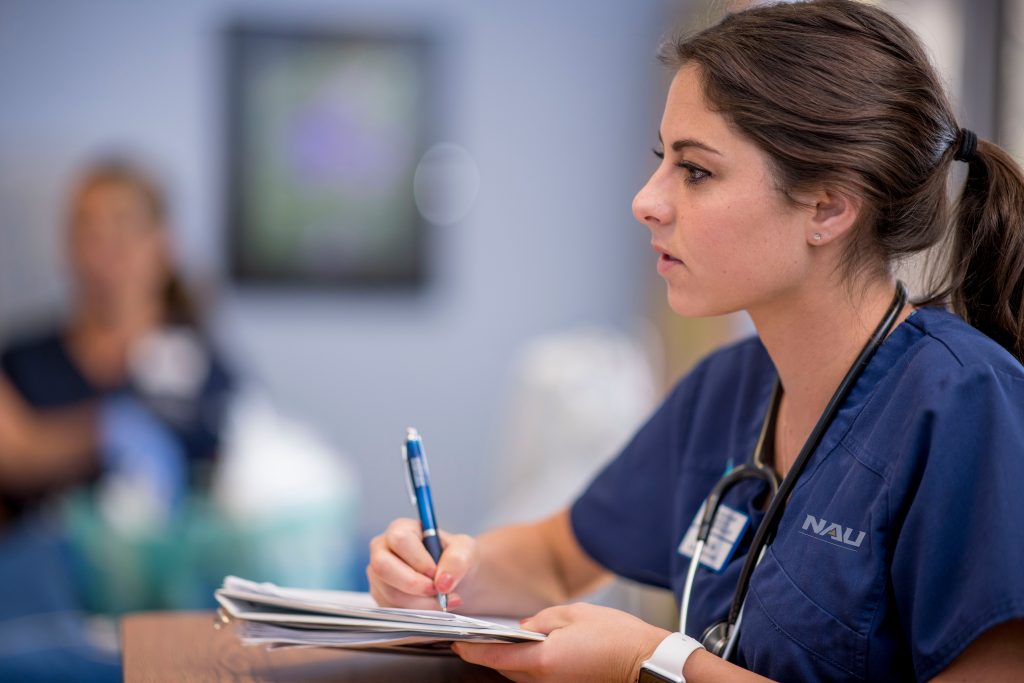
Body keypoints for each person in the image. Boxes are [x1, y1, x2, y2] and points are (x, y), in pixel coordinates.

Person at [367, 2, 1024, 681]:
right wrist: (443, 568)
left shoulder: (968, 406)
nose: (646, 201)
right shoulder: (727, 391)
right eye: (662, 161)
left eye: (696, 171)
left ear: (827, 206)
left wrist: (648, 661)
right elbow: (555, 559)